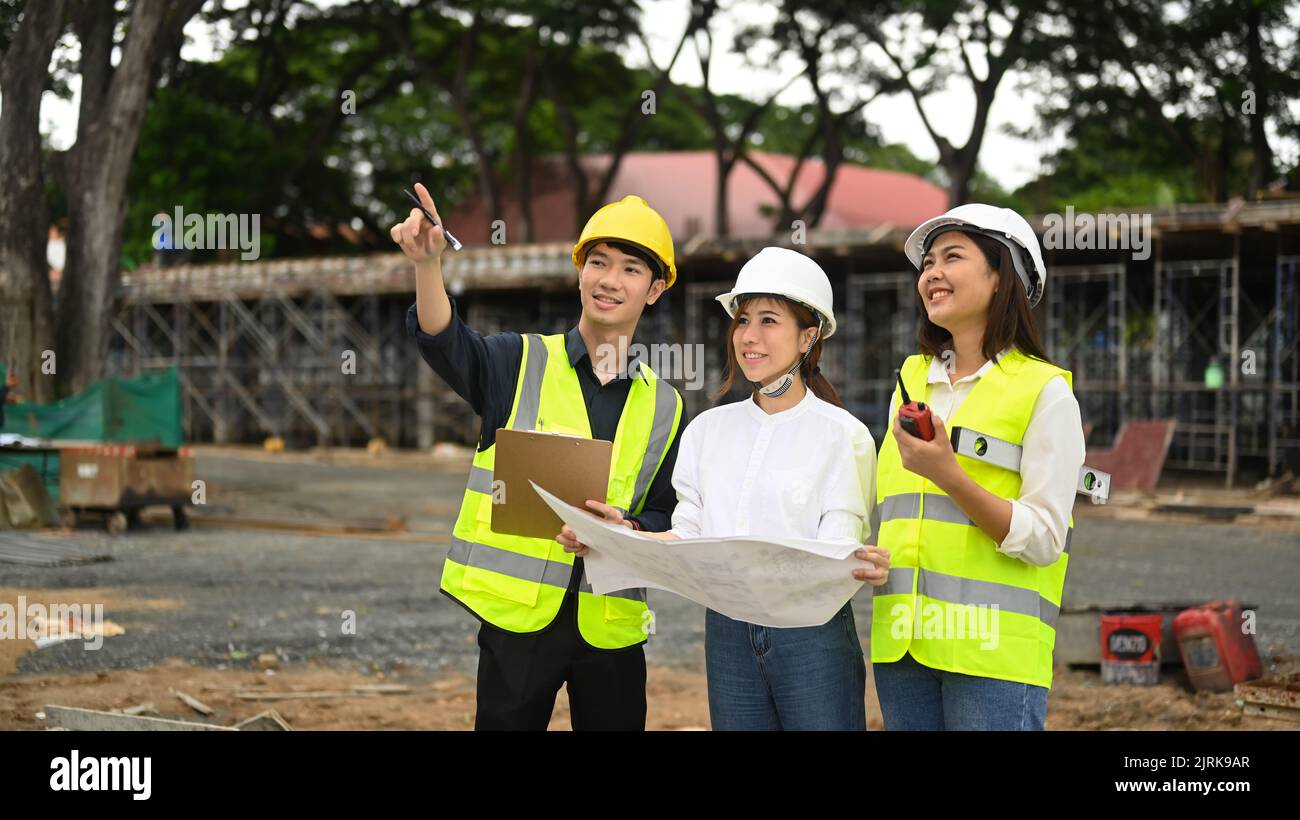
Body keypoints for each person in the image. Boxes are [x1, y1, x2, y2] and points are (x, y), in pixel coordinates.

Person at [559, 247, 891, 730]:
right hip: (728, 632)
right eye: (743, 320)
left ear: (809, 336)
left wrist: (859, 564)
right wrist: (622, 534)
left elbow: (838, 548)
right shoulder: (708, 431)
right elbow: (688, 533)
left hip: (811, 638)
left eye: (770, 321)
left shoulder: (844, 435)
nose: (749, 337)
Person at [394, 185, 685, 731]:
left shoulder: (666, 405)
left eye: (629, 269)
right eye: (597, 263)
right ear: (580, 273)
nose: (609, 280)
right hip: (520, 621)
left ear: (655, 289)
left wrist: (626, 526)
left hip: (611, 622)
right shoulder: (517, 361)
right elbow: (444, 340)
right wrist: (428, 265)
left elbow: (667, 514)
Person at [870, 203, 1086, 731]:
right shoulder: (911, 380)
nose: (932, 274)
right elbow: (888, 507)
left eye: (952, 257)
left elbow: (1044, 539)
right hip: (904, 649)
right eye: (927, 264)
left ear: (999, 277)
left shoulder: (1045, 392)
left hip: (991, 659)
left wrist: (950, 475)